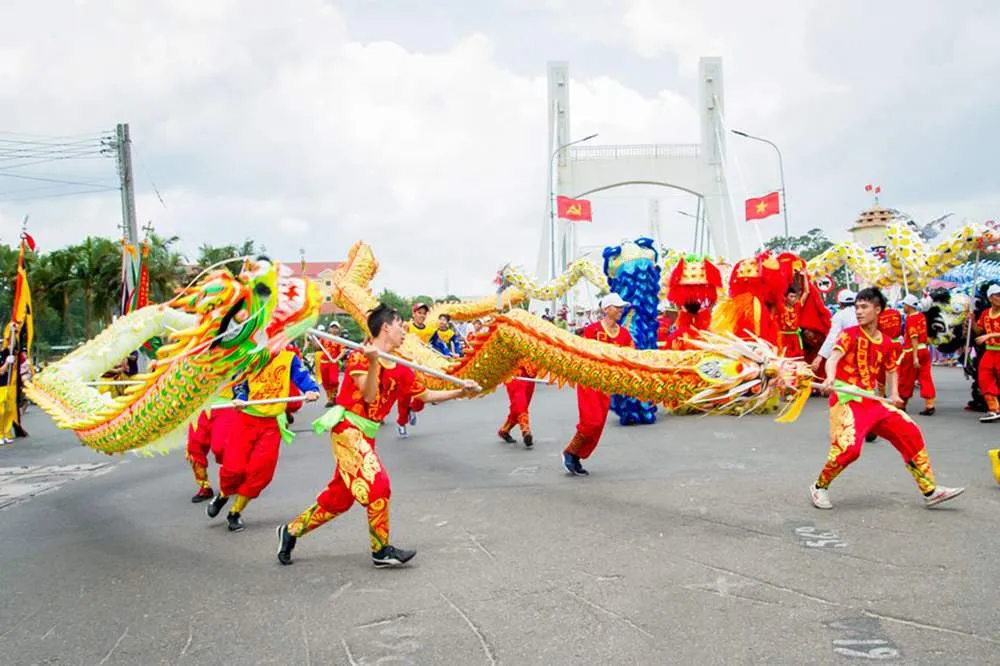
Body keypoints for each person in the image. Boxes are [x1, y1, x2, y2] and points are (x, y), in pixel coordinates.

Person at [275, 303, 481, 567]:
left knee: (339, 499)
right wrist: (373, 363)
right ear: (386, 327)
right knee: (379, 484)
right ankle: (380, 550)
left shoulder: (401, 366)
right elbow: (370, 395)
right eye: (400, 326)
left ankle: (290, 531)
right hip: (348, 429)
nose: (404, 331)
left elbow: (425, 395)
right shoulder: (360, 357)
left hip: (366, 435)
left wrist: (461, 392)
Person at [809, 288, 963, 510]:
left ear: (877, 309)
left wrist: (893, 394)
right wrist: (830, 377)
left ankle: (930, 490)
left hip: (872, 400)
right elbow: (833, 359)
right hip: (847, 399)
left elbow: (891, 370)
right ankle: (819, 486)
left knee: (910, 432)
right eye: (857, 308)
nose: (859, 312)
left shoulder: (889, 342)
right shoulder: (849, 334)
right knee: (849, 449)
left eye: (864, 307)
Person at [206, 348, 320, 532]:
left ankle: (235, 512)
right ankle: (223, 495)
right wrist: (241, 397)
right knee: (233, 467)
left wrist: (311, 390)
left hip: (271, 425)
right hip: (246, 420)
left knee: (261, 472)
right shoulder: (251, 355)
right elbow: (240, 382)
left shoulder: (289, 358)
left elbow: (302, 378)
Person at [562, 293, 634, 476]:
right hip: (589, 382)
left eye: (622, 307)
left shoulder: (624, 334)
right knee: (591, 422)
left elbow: (631, 358)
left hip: (606, 386)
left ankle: (577, 456)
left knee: (598, 426)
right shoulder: (592, 330)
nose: (621, 310)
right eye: (617, 307)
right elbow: (583, 355)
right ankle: (570, 452)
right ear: (606, 309)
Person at [396, 302, 435, 437]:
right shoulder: (407, 327)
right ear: (413, 314)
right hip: (406, 365)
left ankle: (412, 409)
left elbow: (437, 344)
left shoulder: (429, 330)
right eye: (419, 313)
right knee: (403, 397)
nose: (422, 315)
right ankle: (401, 423)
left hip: (422, 367)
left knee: (421, 397)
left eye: (424, 313)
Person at [898, 294, 936, 415]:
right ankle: (930, 404)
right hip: (924, 350)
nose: (903, 307)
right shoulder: (921, 316)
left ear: (909, 306)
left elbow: (914, 338)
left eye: (904, 304)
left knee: (906, 379)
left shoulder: (910, 318)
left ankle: (902, 404)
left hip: (912, 352)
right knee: (925, 377)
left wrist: (915, 357)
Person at [972, 284, 1000, 422]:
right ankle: (993, 409)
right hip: (990, 352)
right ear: (990, 298)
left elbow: (986, 335)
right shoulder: (985, 313)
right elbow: (979, 331)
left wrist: (990, 336)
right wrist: (971, 320)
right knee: (984, 379)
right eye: (997, 295)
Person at [812, 290, 858, 375]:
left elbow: (832, 337)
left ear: (839, 303)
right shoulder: (861, 312)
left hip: (847, 352)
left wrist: (820, 356)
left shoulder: (839, 315)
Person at [498, 360, 537, 447]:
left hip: (530, 376)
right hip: (514, 374)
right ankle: (526, 430)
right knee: (520, 402)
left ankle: (504, 430)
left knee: (519, 406)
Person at [314, 322, 347, 407]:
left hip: (333, 363)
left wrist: (336, 359)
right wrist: (314, 337)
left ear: (338, 330)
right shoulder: (324, 338)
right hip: (323, 363)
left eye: (336, 327)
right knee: (326, 383)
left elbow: (343, 351)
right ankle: (330, 399)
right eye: (332, 327)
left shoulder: (339, 340)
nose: (334, 329)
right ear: (329, 329)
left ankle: (333, 397)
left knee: (334, 381)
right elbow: (317, 347)